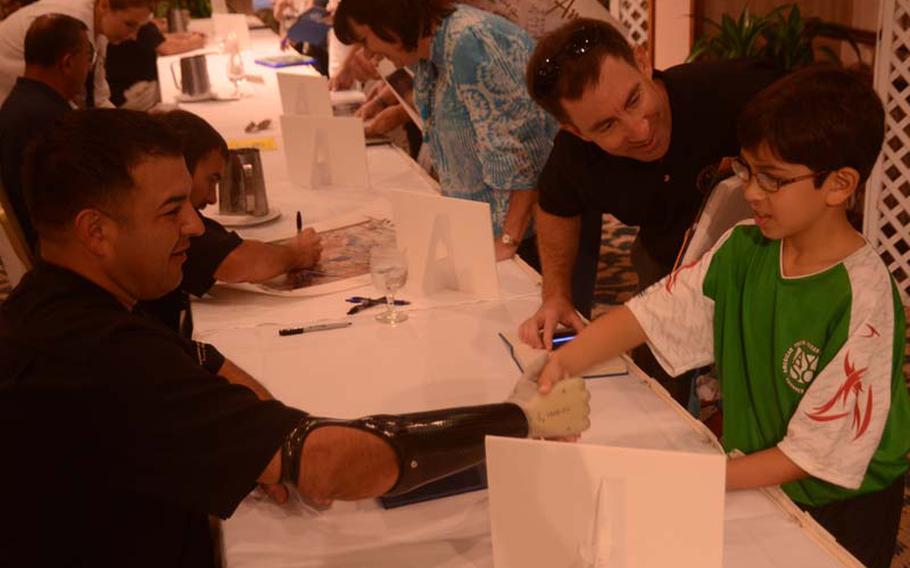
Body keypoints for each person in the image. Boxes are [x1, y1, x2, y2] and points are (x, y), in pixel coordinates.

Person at [0, 108, 591, 567]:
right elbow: (328, 466)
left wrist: (268, 435)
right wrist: (521, 419)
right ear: (96, 232)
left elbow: (200, 360)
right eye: (171, 209)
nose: (194, 226)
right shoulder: (101, 357)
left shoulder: (60, 306)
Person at [534, 66, 910, 568]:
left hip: (843, 501)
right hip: (760, 474)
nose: (751, 192)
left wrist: (692, 477)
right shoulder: (744, 247)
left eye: (772, 179)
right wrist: (565, 363)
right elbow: (650, 315)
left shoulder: (863, 298)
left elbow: (812, 455)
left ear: (839, 185)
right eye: (746, 170)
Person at [517, 18, 780, 351]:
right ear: (577, 131)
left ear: (642, 62)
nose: (640, 132)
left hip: (766, 251)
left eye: (633, 100)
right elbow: (556, 206)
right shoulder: (576, 155)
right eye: (607, 125)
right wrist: (555, 296)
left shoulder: (739, 89)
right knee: (659, 374)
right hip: (665, 262)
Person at [334, 0, 557, 266]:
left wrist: (508, 240)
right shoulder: (429, 51)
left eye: (365, 40)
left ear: (389, 20)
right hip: (488, 230)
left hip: (534, 234)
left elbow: (522, 155)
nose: (369, 55)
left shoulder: (468, 42)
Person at [0, 14, 92, 249]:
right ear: (68, 62)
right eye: (87, 56)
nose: (88, 67)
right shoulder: (50, 120)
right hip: (61, 248)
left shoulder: (21, 102)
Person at [0, 0, 154, 107]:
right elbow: (71, 104)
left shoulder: (97, 20)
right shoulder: (69, 25)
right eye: (130, 25)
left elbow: (97, 96)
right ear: (105, 5)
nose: (134, 36)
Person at [105, 20, 205, 110]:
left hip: (119, 93)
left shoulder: (135, 18)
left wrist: (186, 37)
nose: (132, 35)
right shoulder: (138, 19)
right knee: (175, 90)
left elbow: (158, 38)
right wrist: (195, 42)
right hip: (128, 95)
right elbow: (167, 48)